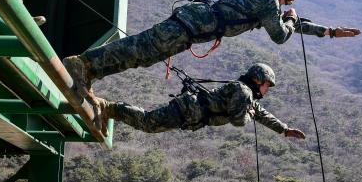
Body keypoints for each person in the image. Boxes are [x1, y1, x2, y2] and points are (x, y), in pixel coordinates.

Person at [64, 0, 361, 108]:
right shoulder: (269, 1)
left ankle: (88, 74)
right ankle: (83, 63)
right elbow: (282, 35)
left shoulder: (268, 4)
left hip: (193, 30)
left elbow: (293, 23)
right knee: (139, 48)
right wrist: (293, 21)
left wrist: (329, 32)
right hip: (191, 25)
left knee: (142, 57)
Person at [98, 63, 306, 139]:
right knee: (148, 122)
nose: (267, 90)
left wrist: (284, 129)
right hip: (187, 110)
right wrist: (249, 115)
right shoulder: (243, 92)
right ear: (258, 80)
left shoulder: (246, 94)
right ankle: (108, 108)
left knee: (149, 124)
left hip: (189, 113)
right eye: (267, 85)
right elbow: (239, 120)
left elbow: (260, 112)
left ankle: (110, 110)